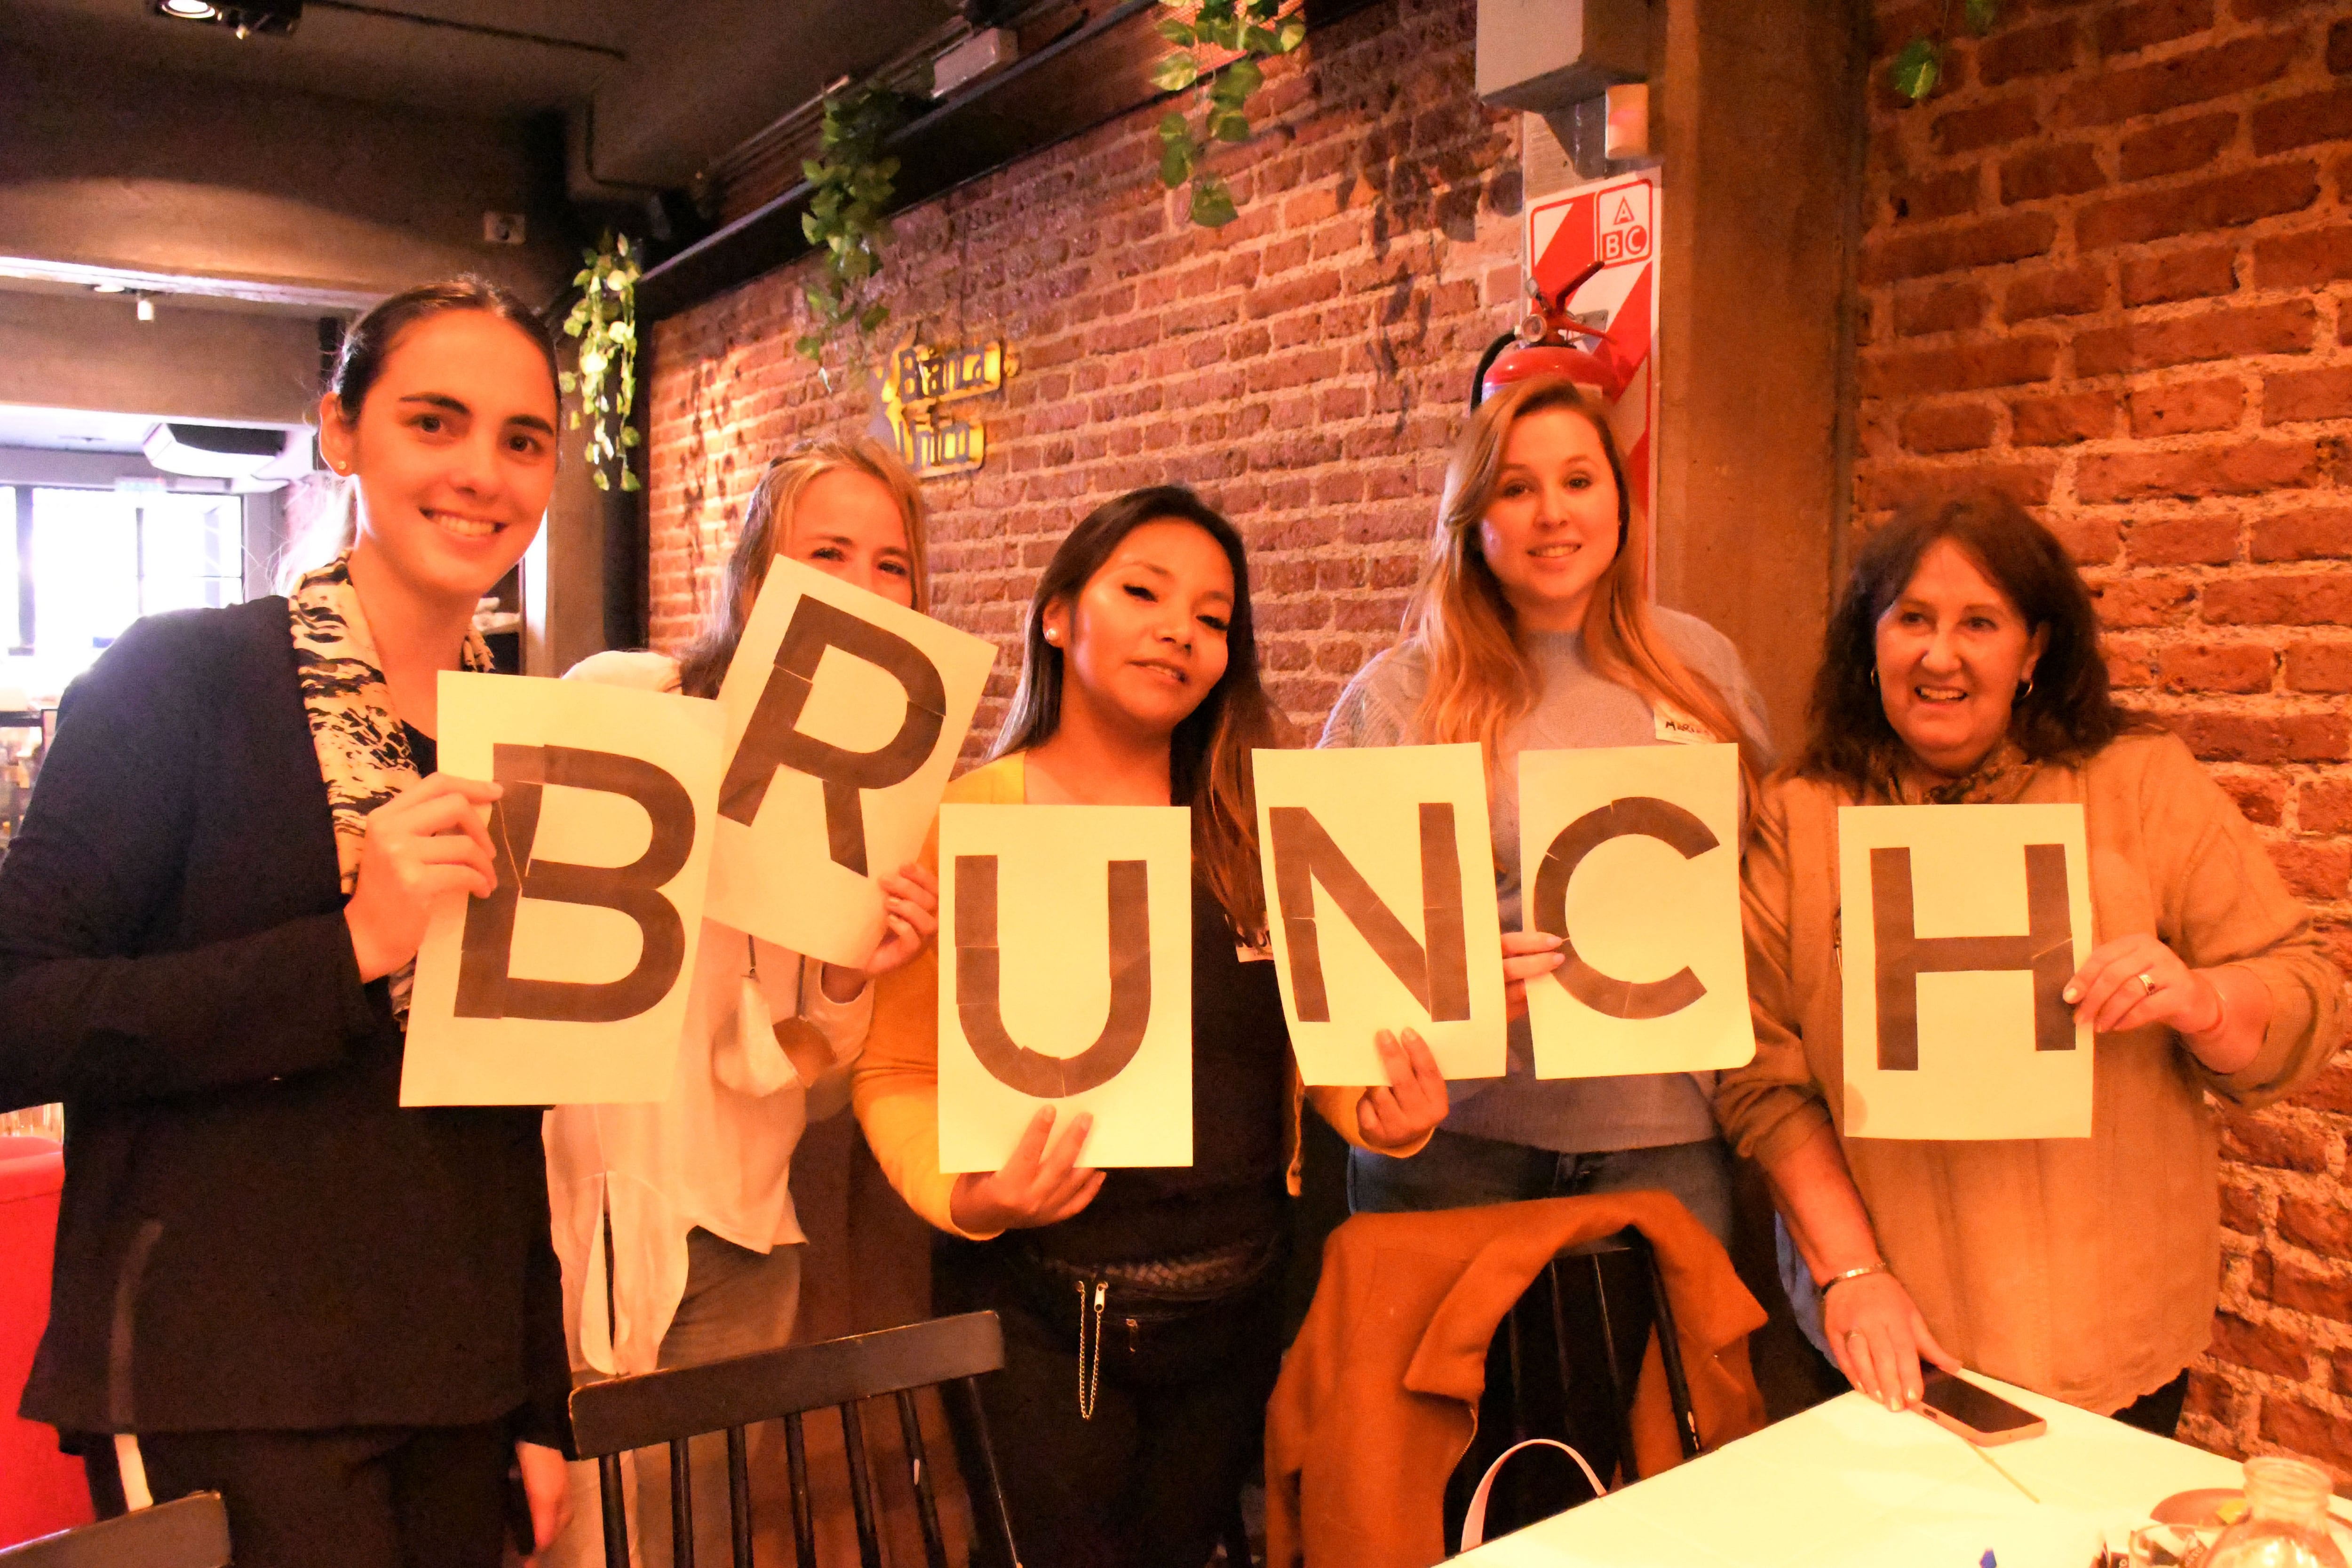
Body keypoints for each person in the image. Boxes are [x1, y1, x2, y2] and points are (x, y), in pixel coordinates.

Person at [0, 277, 573, 1567]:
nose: (482, 471)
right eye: (436, 421)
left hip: (457, 1371)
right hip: (233, 1367)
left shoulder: (529, 733)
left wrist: (542, 1395)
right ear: (341, 431)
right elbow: (17, 1009)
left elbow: (513, 1098)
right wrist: (350, 947)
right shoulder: (183, 676)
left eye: (522, 439)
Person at [853, 486, 1451, 1568]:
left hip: (1235, 1306)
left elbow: (1312, 1048)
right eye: (1143, 591)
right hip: (1037, 1310)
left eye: (1215, 617)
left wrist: (1380, 1111)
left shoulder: (1256, 834)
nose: (1181, 628)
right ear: (1056, 614)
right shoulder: (962, 822)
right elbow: (894, 1068)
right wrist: (974, 1198)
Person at [1716, 492, 2344, 1434]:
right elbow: (1761, 1072)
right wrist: (1852, 1273)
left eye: (1980, 622)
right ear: (1869, 640)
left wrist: (2202, 998)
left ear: (2034, 650)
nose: (1940, 654)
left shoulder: (2143, 784)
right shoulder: (1801, 815)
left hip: (2111, 1331)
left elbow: (2301, 983)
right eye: (1912, 620)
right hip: (1884, 1335)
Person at [538, 438, 940, 1568]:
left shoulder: (881, 796)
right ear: (757, 580)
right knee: (569, 1540)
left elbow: (801, 1080)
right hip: (570, 1218)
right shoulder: (629, 699)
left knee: (699, 1542)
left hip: (743, 1228)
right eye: (826, 553)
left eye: (893, 565)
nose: (861, 588)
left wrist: (858, 968)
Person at [1320, 374, 1772, 1243]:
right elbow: (1328, 948)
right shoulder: (1398, 696)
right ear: (1472, 520)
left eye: (1578, 480)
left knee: (1663, 1386)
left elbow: (1763, 879)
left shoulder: (1703, 666)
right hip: (1455, 1147)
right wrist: (1443, 970)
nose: (1552, 513)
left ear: (1619, 499)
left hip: (1665, 1144)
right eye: (1516, 488)